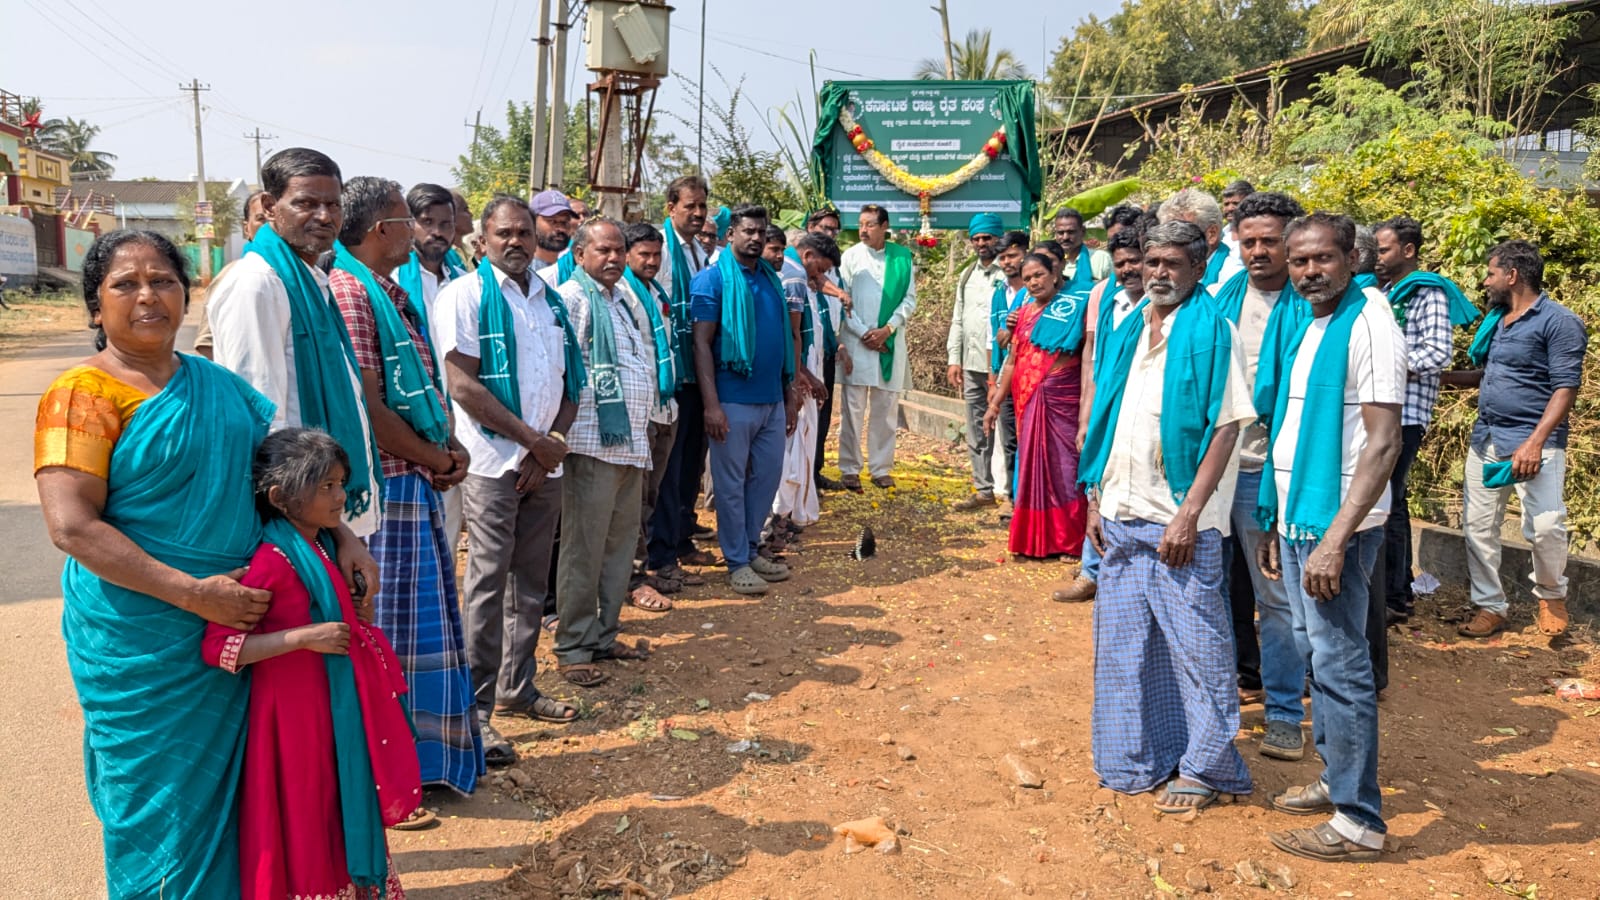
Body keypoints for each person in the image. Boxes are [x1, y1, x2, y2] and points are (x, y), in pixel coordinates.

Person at [35, 229, 377, 897]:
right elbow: (72, 526)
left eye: (162, 281)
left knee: (239, 790)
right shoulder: (81, 396)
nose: (147, 296)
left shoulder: (221, 388)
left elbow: (278, 491)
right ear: (95, 305)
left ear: (185, 295)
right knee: (153, 800)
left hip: (237, 621)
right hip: (140, 637)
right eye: (125, 284)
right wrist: (193, 594)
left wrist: (343, 536)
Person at [1081, 221, 1254, 815]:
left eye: (1172, 263)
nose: (1158, 272)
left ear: (1199, 269)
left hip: (1179, 522)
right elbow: (1109, 419)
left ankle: (1205, 768)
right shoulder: (1130, 326)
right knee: (1127, 650)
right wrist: (1096, 498)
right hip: (1121, 511)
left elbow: (1227, 427)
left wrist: (1189, 514)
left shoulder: (1213, 331)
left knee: (1197, 652)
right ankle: (1137, 759)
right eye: (1152, 261)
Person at [204, 428, 418, 899]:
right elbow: (221, 648)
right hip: (292, 722)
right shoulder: (270, 562)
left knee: (336, 806)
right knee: (308, 815)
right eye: (326, 486)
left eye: (341, 483)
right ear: (280, 497)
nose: (341, 496)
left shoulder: (322, 547)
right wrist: (304, 638)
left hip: (331, 710)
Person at [1255, 212, 1404, 863]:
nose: (1310, 271)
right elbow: (1293, 426)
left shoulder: (1371, 323)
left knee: (1341, 667)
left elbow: (1383, 443)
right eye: (1300, 261)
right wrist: (1278, 519)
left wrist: (1335, 538)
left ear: (1351, 258)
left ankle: (1358, 821)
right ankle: (1336, 778)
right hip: (1300, 520)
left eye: (1323, 258)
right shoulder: (1314, 322)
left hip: (1336, 527)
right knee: (1320, 657)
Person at [328, 176, 483, 799]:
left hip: (412, 477)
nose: (416, 231)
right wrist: (433, 455)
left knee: (421, 630)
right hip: (386, 489)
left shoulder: (383, 290)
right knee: (392, 633)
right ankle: (394, 772)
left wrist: (443, 448)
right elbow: (368, 409)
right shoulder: (352, 292)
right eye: (405, 219)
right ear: (380, 230)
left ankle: (426, 761)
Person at [442, 196, 585, 764]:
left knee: (529, 580)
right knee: (487, 581)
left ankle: (517, 687)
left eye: (524, 232)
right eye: (504, 233)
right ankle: (476, 710)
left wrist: (548, 447)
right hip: (491, 462)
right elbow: (463, 386)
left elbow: (571, 383)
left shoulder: (549, 299)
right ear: (483, 240)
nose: (516, 242)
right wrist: (532, 443)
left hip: (542, 462)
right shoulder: (466, 295)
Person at [207, 147, 383, 539]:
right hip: (295, 518)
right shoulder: (258, 283)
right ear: (270, 206)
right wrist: (292, 528)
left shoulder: (310, 280)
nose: (324, 216)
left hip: (321, 509)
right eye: (306, 203)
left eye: (333, 205)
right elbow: (258, 416)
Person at [1209, 191, 1309, 758]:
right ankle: (1216, 703)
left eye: (1269, 240)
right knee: (1212, 588)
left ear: (1291, 242)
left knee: (1275, 598)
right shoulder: (1219, 300)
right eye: (1248, 241)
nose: (1258, 251)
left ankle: (1284, 713)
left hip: (1268, 473)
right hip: (1213, 470)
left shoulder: (1312, 309)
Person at [1451, 240, 1584, 639]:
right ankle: (1491, 607)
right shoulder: (1498, 321)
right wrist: (1436, 378)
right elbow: (1488, 376)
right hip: (1488, 437)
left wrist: (1535, 443)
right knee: (1478, 527)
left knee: (1546, 526)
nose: (1485, 281)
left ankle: (1551, 597)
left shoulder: (1559, 322)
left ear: (1511, 276)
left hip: (1535, 443)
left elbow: (1565, 387)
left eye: (1491, 273)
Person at [552, 219, 658, 687]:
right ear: (580, 255)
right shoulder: (574, 298)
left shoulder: (622, 299)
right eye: (603, 250)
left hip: (629, 444)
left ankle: (604, 634)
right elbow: (565, 370)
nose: (614, 258)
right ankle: (575, 645)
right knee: (584, 550)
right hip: (592, 443)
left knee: (618, 549)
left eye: (619, 250)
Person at [692, 205, 800, 595]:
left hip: (772, 399)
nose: (755, 238)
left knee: (766, 479)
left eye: (761, 232)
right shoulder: (712, 281)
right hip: (732, 401)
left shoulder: (771, 278)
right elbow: (701, 344)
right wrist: (712, 405)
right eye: (748, 231)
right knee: (731, 485)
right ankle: (736, 560)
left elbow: (784, 340)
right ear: (731, 234)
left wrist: (789, 395)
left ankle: (752, 549)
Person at [1371, 215, 1472, 623]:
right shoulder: (1382, 291)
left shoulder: (1426, 293)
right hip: (1378, 408)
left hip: (1406, 412)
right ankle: (1393, 590)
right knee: (1387, 501)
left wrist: (1380, 365)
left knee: (1389, 500)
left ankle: (1395, 597)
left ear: (1408, 250)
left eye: (1383, 250)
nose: (1377, 257)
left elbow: (1436, 353)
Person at [1054, 227, 1147, 603]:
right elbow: (1093, 362)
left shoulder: (1161, 308)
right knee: (1099, 484)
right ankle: (1092, 571)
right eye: (1120, 263)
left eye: (1135, 261)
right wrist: (1086, 418)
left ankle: (1121, 572)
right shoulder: (1110, 300)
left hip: (1141, 413)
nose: (1127, 270)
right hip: (1106, 410)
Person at [984, 252, 1089, 559]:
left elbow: (1087, 355)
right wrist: (994, 403)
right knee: (1033, 469)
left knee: (1065, 469)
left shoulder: (1075, 307)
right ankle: (1035, 541)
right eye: (1027, 278)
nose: (1033, 282)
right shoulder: (1023, 313)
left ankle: (1069, 541)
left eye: (1038, 275)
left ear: (1054, 274)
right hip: (1027, 401)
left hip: (1063, 401)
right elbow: (1012, 361)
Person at [648, 176, 718, 587]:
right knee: (670, 469)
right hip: (670, 375)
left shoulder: (699, 252)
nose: (697, 213)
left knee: (691, 462)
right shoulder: (661, 249)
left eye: (702, 206)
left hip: (696, 373)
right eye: (689, 206)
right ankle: (662, 555)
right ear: (671, 207)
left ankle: (682, 539)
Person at [394, 183, 470, 554]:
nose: (437, 232)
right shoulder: (396, 280)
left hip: (462, 414)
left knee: (450, 525)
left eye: (446, 224)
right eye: (428, 222)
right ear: (410, 224)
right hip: (411, 419)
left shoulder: (464, 279)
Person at [618, 222, 682, 611]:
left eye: (657, 255)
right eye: (644, 254)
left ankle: (641, 570)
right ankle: (631, 578)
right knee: (633, 500)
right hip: (636, 413)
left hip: (664, 406)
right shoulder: (621, 294)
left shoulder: (656, 291)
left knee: (650, 498)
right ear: (626, 255)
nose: (652, 261)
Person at [838, 204, 916, 490]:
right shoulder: (850, 256)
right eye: (861, 224)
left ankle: (880, 469)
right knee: (852, 410)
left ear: (884, 226)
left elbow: (909, 300)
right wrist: (864, 334)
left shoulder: (902, 257)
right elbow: (842, 299)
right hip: (857, 341)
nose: (863, 230)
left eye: (870, 224)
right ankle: (849, 469)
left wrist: (887, 330)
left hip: (889, 342)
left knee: (886, 410)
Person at [771, 231, 842, 534]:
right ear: (808, 256)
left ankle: (786, 513)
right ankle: (779, 516)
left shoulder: (799, 275)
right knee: (791, 445)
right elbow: (791, 333)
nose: (820, 276)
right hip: (792, 373)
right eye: (820, 269)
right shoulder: (794, 274)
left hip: (800, 367)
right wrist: (802, 376)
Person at [948, 213, 1007, 510]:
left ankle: (1011, 493)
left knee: (1007, 429)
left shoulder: (1010, 271)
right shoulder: (967, 274)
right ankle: (984, 490)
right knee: (976, 428)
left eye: (987, 238)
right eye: (977, 238)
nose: (982, 243)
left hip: (1004, 366)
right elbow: (958, 318)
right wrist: (953, 359)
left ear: (999, 238)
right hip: (972, 364)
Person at [803, 208, 849, 492]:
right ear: (811, 227)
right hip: (806, 351)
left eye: (834, 230)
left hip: (827, 348)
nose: (830, 233)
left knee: (822, 414)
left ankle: (815, 472)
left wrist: (839, 342)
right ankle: (801, 479)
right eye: (825, 228)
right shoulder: (802, 266)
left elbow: (834, 312)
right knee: (805, 415)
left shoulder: (833, 268)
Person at [194, 189, 269, 359]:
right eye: (261, 219)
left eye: (275, 219)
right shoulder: (232, 276)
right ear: (246, 229)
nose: (269, 227)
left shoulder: (306, 276)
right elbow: (207, 346)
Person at [987, 230, 1032, 501]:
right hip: (1005, 372)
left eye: (1013, 255)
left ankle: (1027, 498)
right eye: (1002, 258)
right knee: (1010, 440)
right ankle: (1013, 499)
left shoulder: (1034, 291)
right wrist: (993, 380)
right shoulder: (998, 293)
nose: (1007, 262)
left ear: (1026, 253)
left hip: (1030, 374)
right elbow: (992, 338)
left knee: (1029, 438)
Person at [1158, 187, 1236, 290]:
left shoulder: (1231, 276)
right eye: (1167, 234)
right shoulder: (1162, 272)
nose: (1171, 243)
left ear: (1211, 234)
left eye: (1181, 234)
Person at [1051, 207, 1112, 292]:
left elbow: (1114, 290)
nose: (1065, 237)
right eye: (1061, 233)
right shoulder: (1050, 262)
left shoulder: (1101, 259)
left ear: (1082, 231)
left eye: (1071, 232)